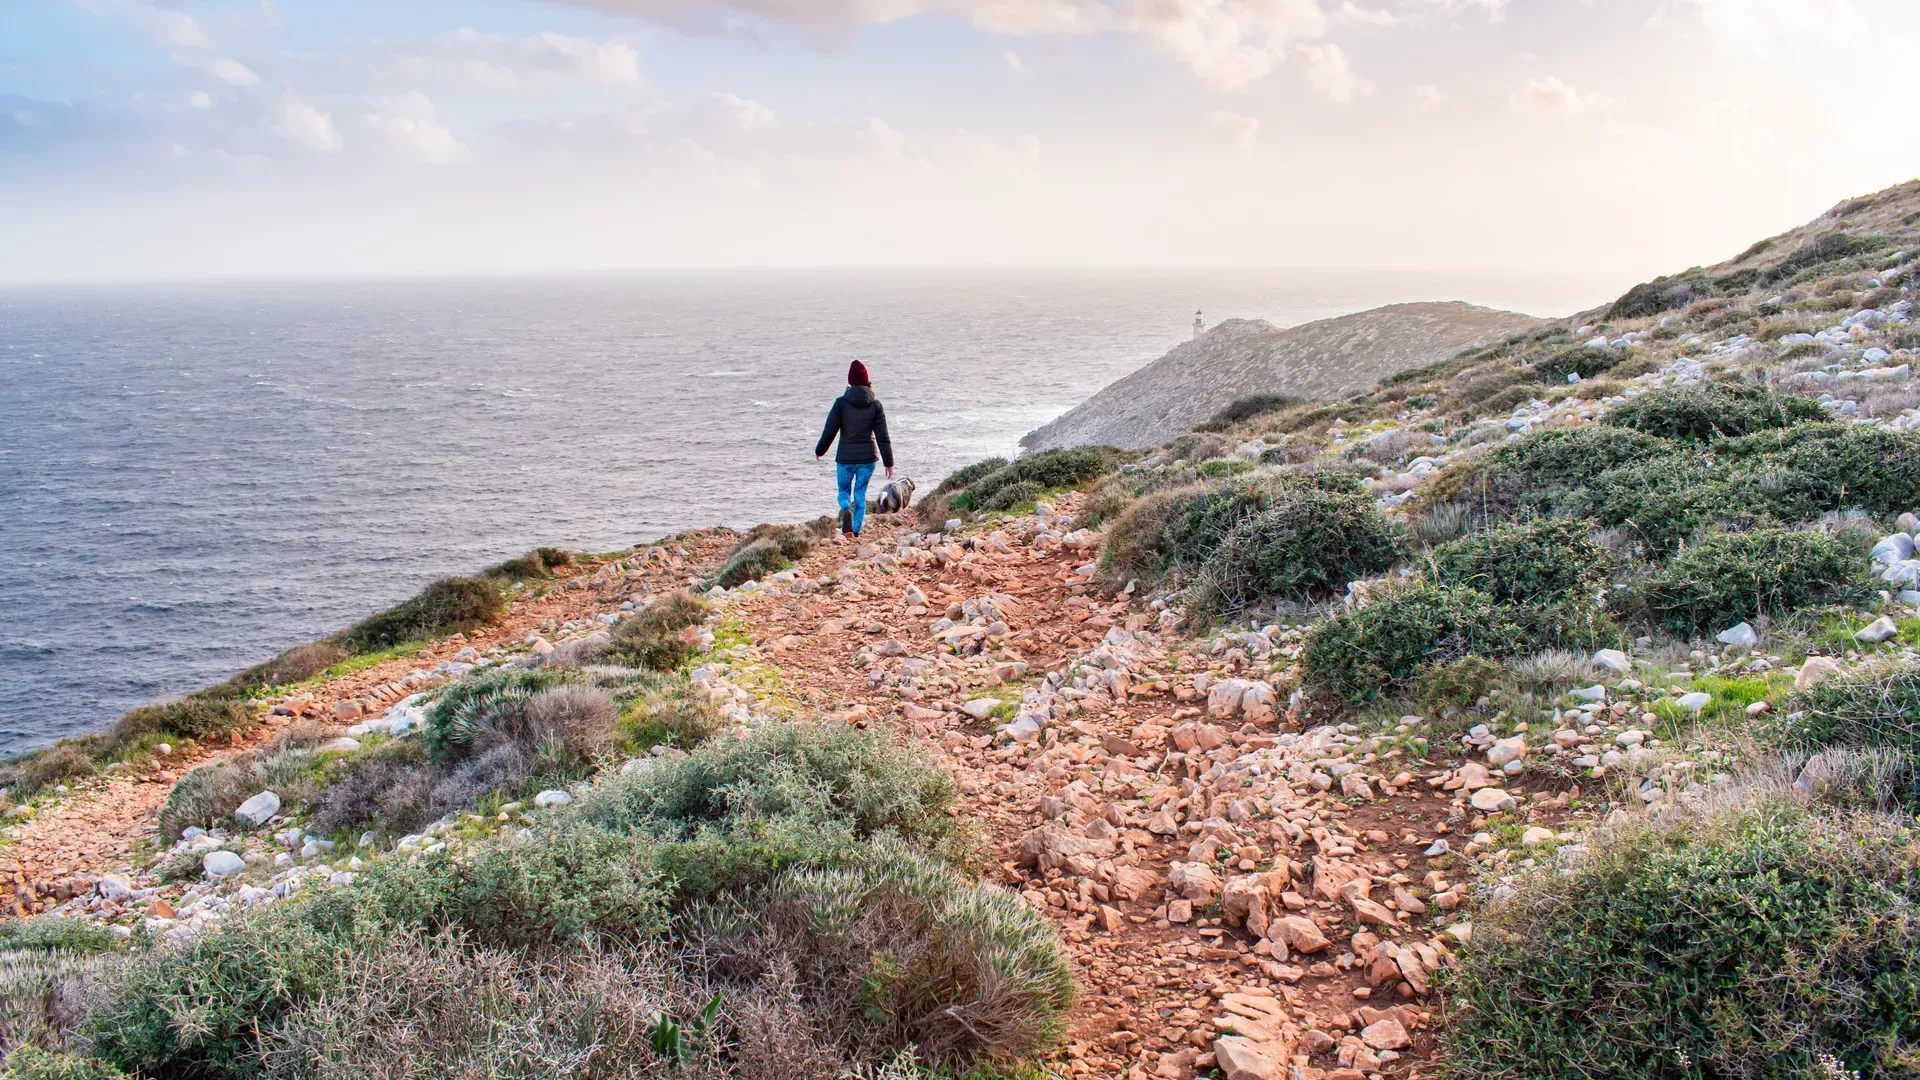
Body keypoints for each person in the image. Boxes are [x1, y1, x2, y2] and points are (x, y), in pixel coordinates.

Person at [815, 360, 894, 538]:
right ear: (868, 382)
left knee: (844, 491)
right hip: (868, 460)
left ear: (850, 381)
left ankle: (845, 509)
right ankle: (855, 531)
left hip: (845, 459)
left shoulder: (841, 403)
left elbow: (830, 430)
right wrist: (889, 463)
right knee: (860, 493)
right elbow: (883, 436)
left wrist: (820, 451)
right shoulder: (876, 405)